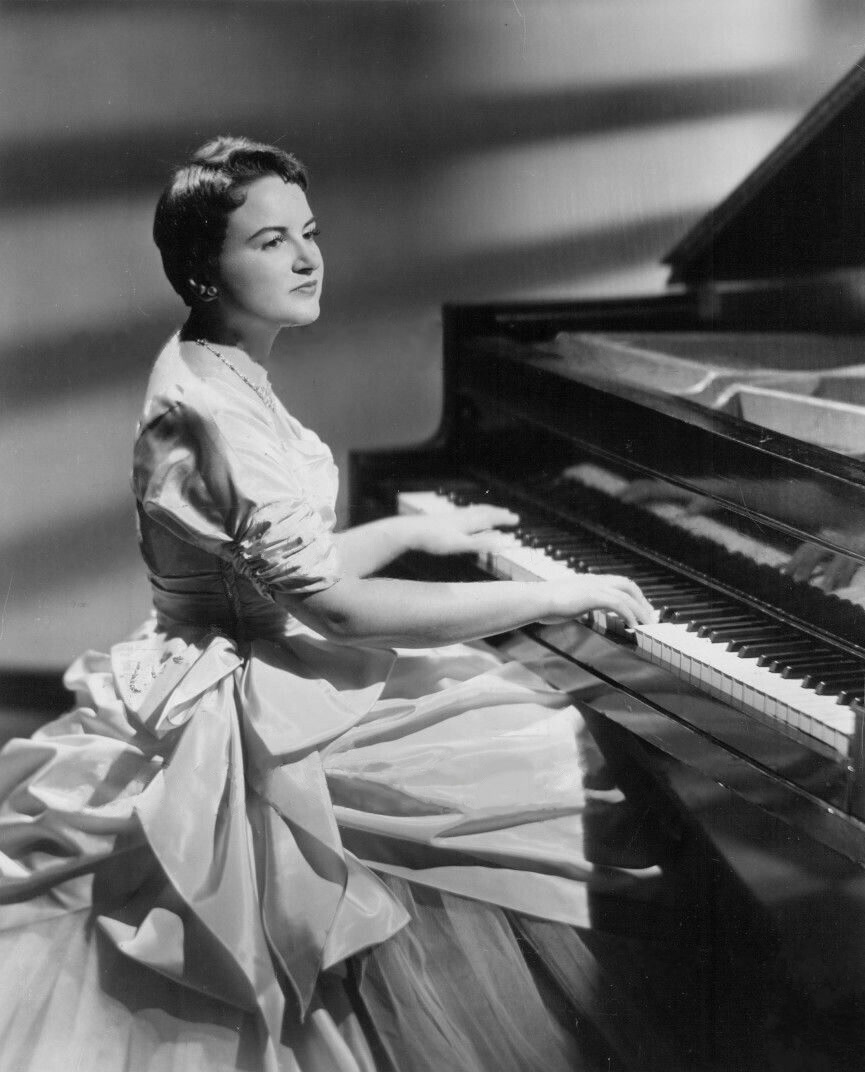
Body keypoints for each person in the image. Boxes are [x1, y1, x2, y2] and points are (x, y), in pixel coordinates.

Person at [0, 137, 656, 1072]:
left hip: (236, 646)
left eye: (308, 233)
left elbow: (263, 572)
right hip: (242, 701)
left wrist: (407, 532)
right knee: (545, 746)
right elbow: (335, 611)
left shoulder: (216, 364)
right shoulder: (210, 415)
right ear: (202, 269)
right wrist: (554, 592)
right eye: (270, 242)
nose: (307, 259)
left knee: (522, 726)